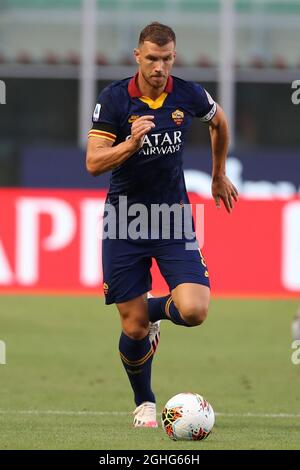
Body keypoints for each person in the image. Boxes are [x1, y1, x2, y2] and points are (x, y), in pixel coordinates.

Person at [86, 22, 238, 428]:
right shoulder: (115, 99)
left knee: (194, 310)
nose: (159, 67)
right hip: (124, 221)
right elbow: (93, 163)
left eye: (167, 58)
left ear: (174, 56)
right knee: (134, 329)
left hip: (172, 219)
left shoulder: (186, 92)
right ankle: (145, 402)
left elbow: (219, 120)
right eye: (152, 58)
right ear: (138, 56)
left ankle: (149, 311)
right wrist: (130, 144)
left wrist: (218, 173)